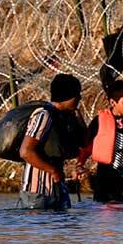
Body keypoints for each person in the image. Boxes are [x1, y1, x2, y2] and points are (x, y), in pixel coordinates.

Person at [17, 73, 86, 210]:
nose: (79, 98)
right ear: (65, 96)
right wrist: (52, 170)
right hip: (37, 191)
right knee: (39, 229)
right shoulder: (44, 115)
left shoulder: (65, 117)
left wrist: (79, 118)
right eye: (76, 94)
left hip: (57, 189)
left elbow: (84, 142)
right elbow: (25, 151)